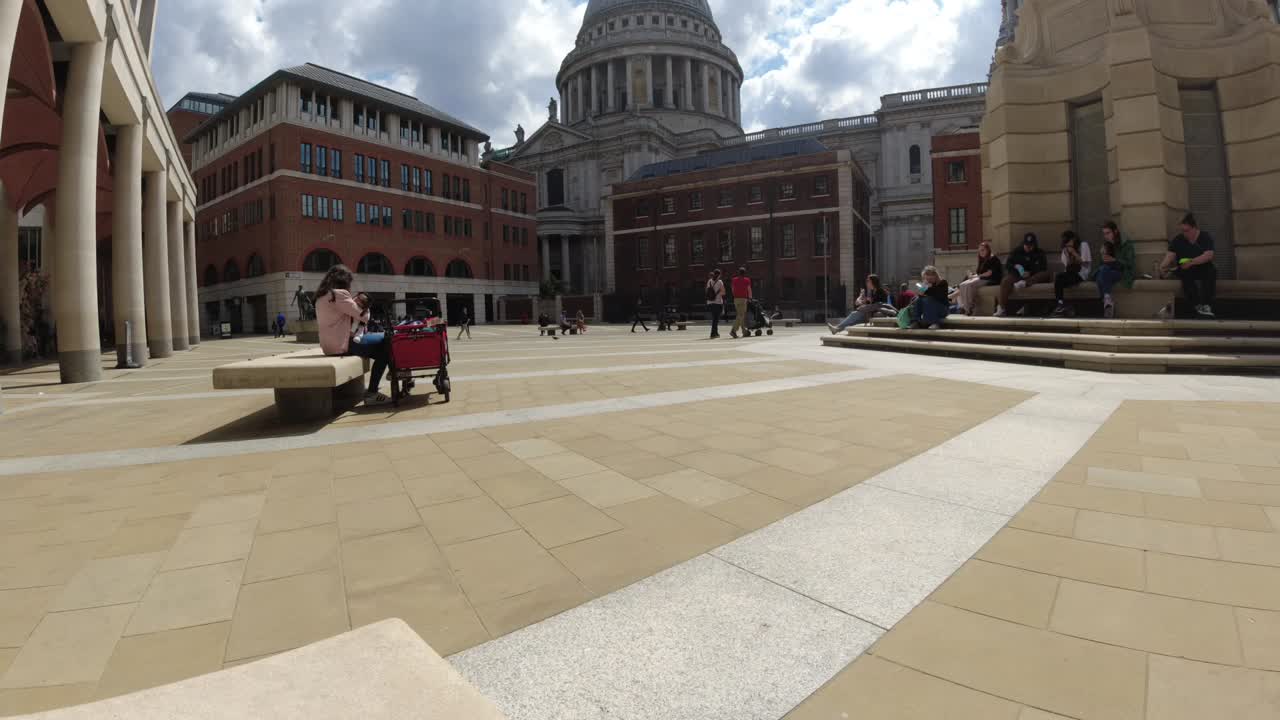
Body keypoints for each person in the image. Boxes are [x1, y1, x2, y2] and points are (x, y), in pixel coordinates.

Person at [314, 265, 392, 406]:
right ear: (344, 281)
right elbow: (363, 316)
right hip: (344, 344)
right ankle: (374, 391)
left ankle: (379, 384)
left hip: (328, 346)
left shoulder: (321, 296)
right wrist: (366, 310)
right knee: (389, 340)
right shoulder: (339, 294)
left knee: (383, 352)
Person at [1160, 213, 1217, 318]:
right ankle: (1197, 305)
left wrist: (1191, 262)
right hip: (1185, 269)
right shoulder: (1178, 239)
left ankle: (1206, 305)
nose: (1184, 234)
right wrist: (1163, 266)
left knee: (1211, 271)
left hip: (1202, 267)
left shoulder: (1205, 237)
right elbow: (1170, 256)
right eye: (1182, 231)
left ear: (1194, 228)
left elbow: (1209, 255)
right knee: (1184, 273)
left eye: (1187, 230)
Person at [997, 232, 1050, 317]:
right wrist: (1017, 268)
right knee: (1005, 281)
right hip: (1017, 276)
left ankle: (1025, 283)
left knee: (1045, 274)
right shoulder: (1017, 251)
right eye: (1026, 245)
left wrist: (1030, 272)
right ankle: (1001, 308)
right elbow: (1008, 265)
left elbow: (1043, 267)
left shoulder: (1040, 253)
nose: (1028, 248)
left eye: (1030, 246)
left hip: (1033, 277)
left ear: (1034, 245)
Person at [1092, 221, 1137, 319]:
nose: (1106, 236)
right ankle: (1107, 301)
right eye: (1104, 234)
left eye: (1108, 233)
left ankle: (1106, 301)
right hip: (1108, 272)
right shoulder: (1107, 245)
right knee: (1102, 271)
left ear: (1115, 231)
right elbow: (1102, 264)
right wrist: (1103, 255)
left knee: (1101, 274)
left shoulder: (1126, 244)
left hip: (1123, 273)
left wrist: (1114, 260)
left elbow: (1130, 264)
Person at [954, 241, 1003, 316]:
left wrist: (976, 276)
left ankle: (969, 307)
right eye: (979, 251)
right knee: (962, 285)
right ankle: (966, 307)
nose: (981, 252)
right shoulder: (981, 259)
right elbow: (979, 273)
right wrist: (972, 275)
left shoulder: (993, 258)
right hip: (981, 278)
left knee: (969, 285)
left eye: (983, 250)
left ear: (988, 250)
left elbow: (989, 273)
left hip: (991, 279)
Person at [1051, 231, 1092, 318]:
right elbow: (1067, 267)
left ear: (1074, 239)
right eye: (1066, 243)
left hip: (1081, 274)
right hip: (1070, 273)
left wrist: (1074, 253)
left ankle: (1063, 306)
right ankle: (1060, 304)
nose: (1068, 245)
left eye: (1069, 242)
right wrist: (1067, 255)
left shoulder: (1083, 245)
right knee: (1058, 277)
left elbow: (1085, 263)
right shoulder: (1065, 250)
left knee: (1061, 279)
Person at [729, 267, 753, 339]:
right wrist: (750, 298)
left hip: (736, 299)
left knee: (740, 315)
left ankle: (744, 332)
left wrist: (735, 295)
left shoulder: (734, 280)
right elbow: (749, 289)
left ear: (739, 273)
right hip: (743, 299)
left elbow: (732, 289)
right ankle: (733, 330)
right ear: (744, 273)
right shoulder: (747, 280)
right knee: (741, 315)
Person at [706, 270, 725, 339]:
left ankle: (715, 333)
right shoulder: (720, 282)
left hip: (710, 302)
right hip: (717, 302)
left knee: (714, 318)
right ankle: (713, 333)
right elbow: (723, 292)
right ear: (719, 275)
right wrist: (718, 293)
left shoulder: (709, 281)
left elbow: (707, 291)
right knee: (716, 319)